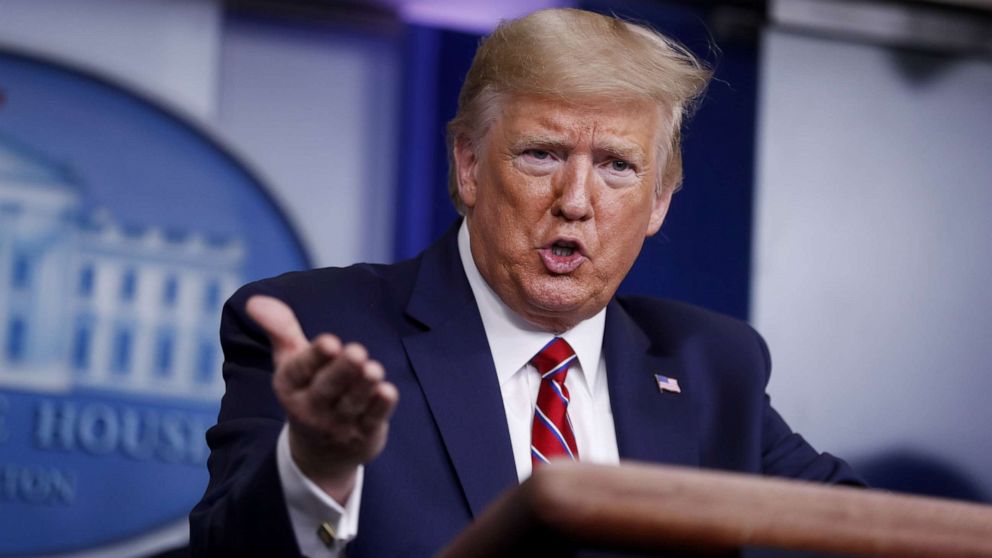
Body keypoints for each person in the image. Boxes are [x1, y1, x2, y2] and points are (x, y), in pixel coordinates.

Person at [190, 8, 861, 557]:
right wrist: (317, 468)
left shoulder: (713, 367)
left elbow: (870, 530)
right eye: (542, 154)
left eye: (617, 166)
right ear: (470, 165)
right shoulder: (324, 329)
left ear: (660, 201)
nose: (576, 200)